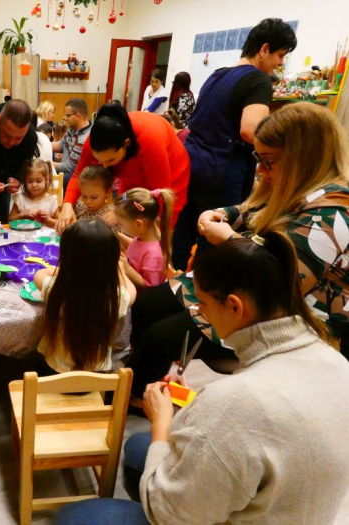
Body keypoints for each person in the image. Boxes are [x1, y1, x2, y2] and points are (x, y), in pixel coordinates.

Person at [55, 232, 349, 525]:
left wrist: (161, 422)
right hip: (295, 509)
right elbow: (261, 430)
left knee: (74, 516)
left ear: (234, 306)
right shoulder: (335, 362)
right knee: (137, 447)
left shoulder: (234, 401)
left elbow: (165, 513)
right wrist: (195, 407)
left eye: (203, 303)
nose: (198, 310)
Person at [128, 102, 349, 402]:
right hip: (246, 288)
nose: (260, 170)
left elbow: (277, 280)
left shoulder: (334, 212)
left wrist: (230, 239)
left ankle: (140, 399)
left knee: (159, 337)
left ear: (303, 158)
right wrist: (221, 214)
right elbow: (250, 209)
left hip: (282, 314)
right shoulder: (293, 185)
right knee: (146, 305)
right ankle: (140, 393)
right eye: (259, 158)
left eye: (268, 161)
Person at [171, 18, 297, 269]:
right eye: (280, 55)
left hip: (192, 162)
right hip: (222, 169)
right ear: (264, 49)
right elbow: (251, 131)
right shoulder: (258, 80)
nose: (280, 63)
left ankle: (175, 281)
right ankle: (202, 290)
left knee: (185, 230)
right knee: (214, 241)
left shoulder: (217, 75)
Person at [57, 103, 190, 233]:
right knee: (127, 223)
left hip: (170, 180)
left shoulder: (150, 140)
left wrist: (158, 233)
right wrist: (67, 204)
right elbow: (78, 174)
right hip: (132, 176)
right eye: (100, 160)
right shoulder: (95, 139)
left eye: (110, 160)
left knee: (155, 233)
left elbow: (162, 196)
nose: (105, 166)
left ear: (126, 143)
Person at [32, 218, 136, 374]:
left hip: (53, 370)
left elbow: (40, 273)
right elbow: (131, 290)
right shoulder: (115, 300)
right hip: (96, 373)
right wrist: (119, 270)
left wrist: (71, 270)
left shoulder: (57, 290)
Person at [114, 188, 175, 289]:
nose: (120, 227)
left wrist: (127, 268)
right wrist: (116, 235)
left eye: (121, 223)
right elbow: (138, 247)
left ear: (138, 224)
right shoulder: (143, 237)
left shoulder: (154, 255)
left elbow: (151, 287)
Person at [52, 98, 93, 189]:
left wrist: (46, 163)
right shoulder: (73, 127)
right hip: (65, 173)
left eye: (68, 115)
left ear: (77, 116)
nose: (66, 118)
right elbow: (62, 144)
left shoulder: (84, 139)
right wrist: (44, 144)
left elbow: (68, 168)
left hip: (73, 179)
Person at [8, 158, 59, 228]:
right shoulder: (20, 199)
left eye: (38, 181)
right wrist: (22, 214)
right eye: (30, 181)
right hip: (24, 235)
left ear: (47, 180)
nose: (34, 185)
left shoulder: (51, 201)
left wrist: (48, 219)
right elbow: (10, 221)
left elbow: (59, 223)